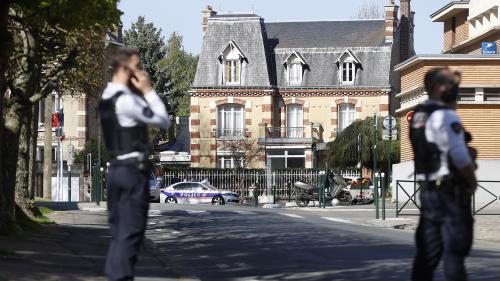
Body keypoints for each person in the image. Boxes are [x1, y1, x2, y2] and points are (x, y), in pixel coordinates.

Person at [99, 47, 170, 281]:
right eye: (137, 66)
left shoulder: (106, 97)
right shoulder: (126, 100)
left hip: (116, 169)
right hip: (132, 171)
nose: (141, 71)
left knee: (119, 233)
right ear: (126, 69)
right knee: (131, 233)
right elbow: (162, 120)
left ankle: (114, 276)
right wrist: (148, 90)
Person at [410, 67, 477, 281]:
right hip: (451, 195)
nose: (455, 89)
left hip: (429, 193)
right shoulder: (445, 116)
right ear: (440, 87)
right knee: (454, 255)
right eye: (452, 85)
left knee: (427, 256)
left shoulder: (420, 113)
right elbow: (459, 155)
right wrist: (472, 181)